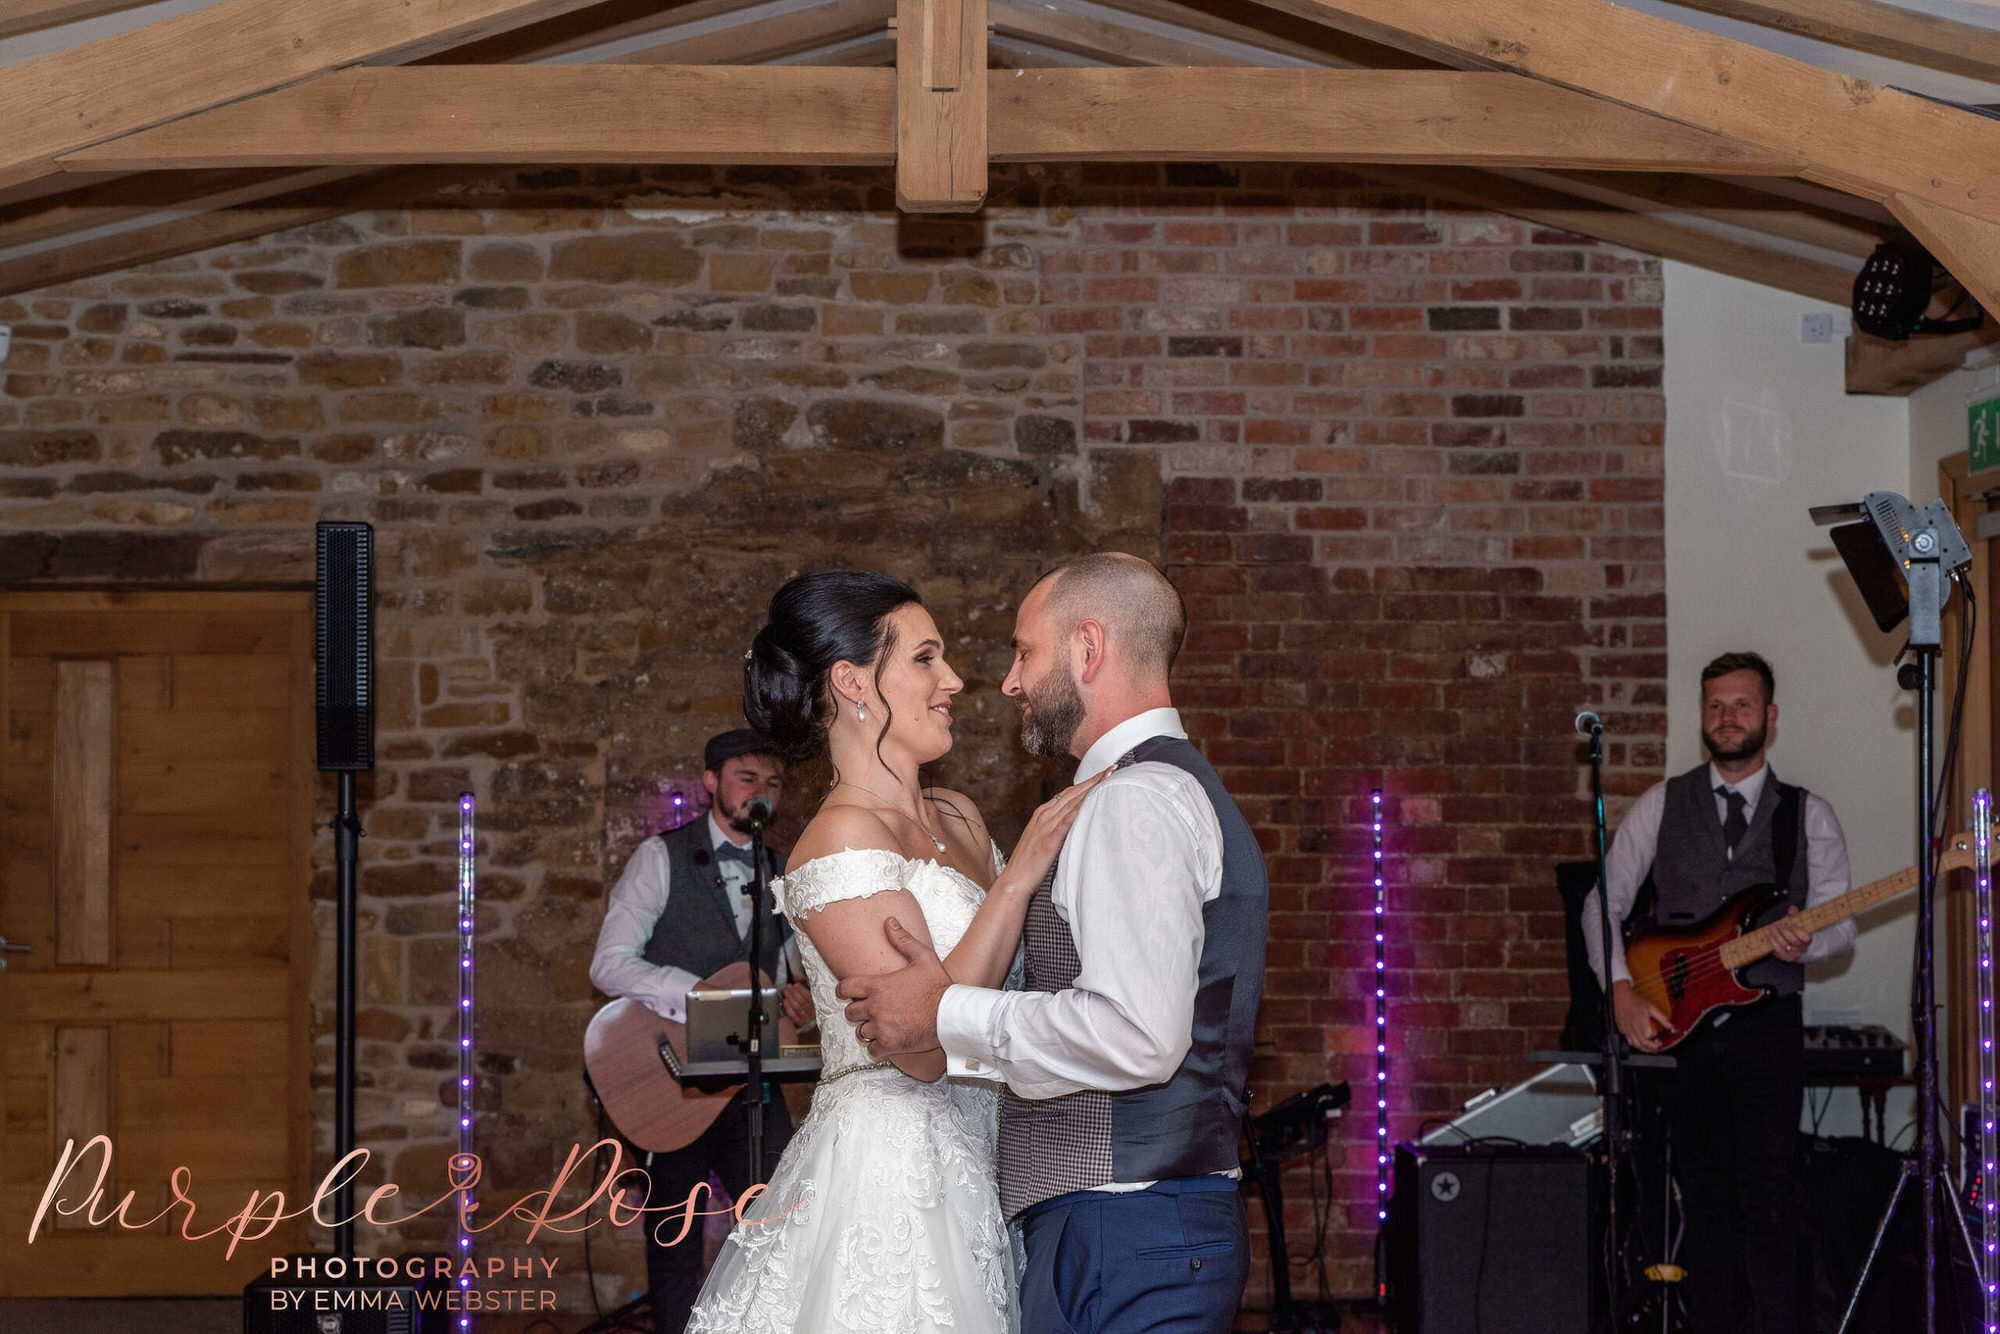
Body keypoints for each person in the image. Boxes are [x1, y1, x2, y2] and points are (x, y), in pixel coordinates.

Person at [841, 552, 1269, 1334]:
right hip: (1142, 1223)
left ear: (1088, 648)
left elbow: (1137, 1035)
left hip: (1123, 1227)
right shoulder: (1163, 785)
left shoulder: (1132, 802)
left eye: (1025, 651)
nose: (1008, 681)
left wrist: (946, 1013)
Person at [686, 569, 1100, 1334]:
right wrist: (1020, 880)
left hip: (987, 1161)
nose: (953, 679)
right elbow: (921, 1048)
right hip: (894, 1176)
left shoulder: (962, 816)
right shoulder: (841, 838)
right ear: (852, 682)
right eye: (924, 658)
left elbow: (1011, 986)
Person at [1581, 651, 1854, 1334]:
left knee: (1769, 1199)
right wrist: (1619, 988)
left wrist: (1806, 941)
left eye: (1741, 704)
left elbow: (1839, 925)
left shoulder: (1807, 814)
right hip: (1684, 1031)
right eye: (1715, 706)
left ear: (1770, 716)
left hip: (1769, 1030)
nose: (1727, 718)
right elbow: (1601, 904)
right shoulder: (1662, 802)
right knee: (1703, 1203)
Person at [587, 728, 815, 1333]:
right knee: (674, 1251)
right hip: (675, 1084)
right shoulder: (659, 858)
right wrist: (694, 995)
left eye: (773, 783)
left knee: (776, 1234)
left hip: (754, 1089)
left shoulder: (785, 872)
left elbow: (797, 973)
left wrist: (804, 1001)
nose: (761, 793)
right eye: (747, 779)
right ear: (711, 782)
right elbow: (607, 964)